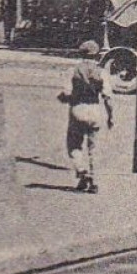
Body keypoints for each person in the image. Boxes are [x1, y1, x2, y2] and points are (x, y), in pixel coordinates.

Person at [58, 40, 113, 193]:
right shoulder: (102, 72)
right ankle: (94, 181)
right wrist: (110, 116)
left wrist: (63, 98)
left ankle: (82, 171)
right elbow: (108, 97)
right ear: (97, 56)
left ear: (81, 53)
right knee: (94, 148)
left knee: (74, 145)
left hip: (77, 110)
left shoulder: (72, 71)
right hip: (95, 110)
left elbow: (67, 93)